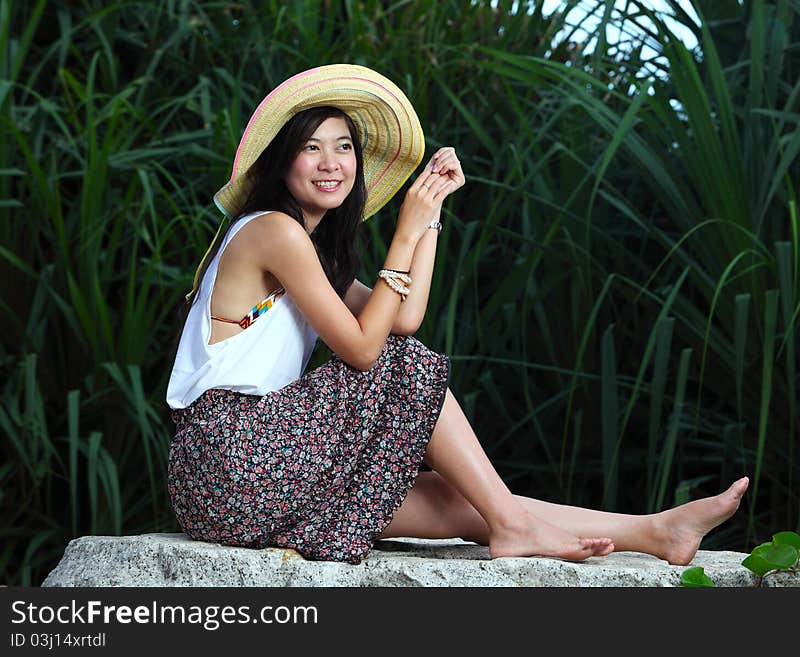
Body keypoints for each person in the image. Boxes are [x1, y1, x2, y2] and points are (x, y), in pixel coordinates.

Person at [166, 64, 749, 566]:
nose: (332, 161)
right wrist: (403, 231)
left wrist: (430, 216)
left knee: (451, 497)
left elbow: (404, 314)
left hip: (241, 483)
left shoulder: (311, 257)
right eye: (311, 146)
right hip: (230, 453)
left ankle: (652, 532)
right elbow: (372, 351)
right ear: (281, 161)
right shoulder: (273, 230)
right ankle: (513, 525)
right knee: (399, 366)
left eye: (344, 146)